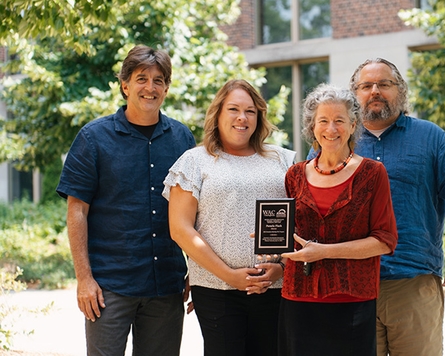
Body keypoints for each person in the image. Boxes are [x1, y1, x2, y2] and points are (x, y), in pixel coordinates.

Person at [56, 44, 196, 356]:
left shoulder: (182, 139)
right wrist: (84, 279)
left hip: (166, 286)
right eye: (141, 78)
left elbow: (195, 210)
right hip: (109, 287)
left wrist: (196, 272)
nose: (150, 87)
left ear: (167, 88)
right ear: (125, 85)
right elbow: (76, 211)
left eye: (158, 80)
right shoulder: (93, 138)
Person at [347, 58, 445, 356]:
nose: (375, 91)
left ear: (400, 91)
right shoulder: (338, 139)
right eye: (366, 86)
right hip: (353, 285)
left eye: (384, 84)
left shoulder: (431, 137)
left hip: (414, 281)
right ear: (354, 93)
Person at [162, 79, 296, 356]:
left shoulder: (283, 160)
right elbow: (180, 228)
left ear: (259, 117)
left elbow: (301, 220)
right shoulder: (194, 161)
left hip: (275, 287)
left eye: (250, 111)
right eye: (233, 109)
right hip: (216, 289)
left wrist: (282, 268)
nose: (242, 118)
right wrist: (229, 276)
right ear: (218, 114)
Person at [279, 84, 398, 356]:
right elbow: (290, 238)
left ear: (353, 124)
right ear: (312, 126)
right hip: (298, 298)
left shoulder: (372, 173)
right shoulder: (294, 176)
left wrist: (325, 253)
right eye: (323, 121)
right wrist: (272, 245)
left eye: (339, 121)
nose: (331, 129)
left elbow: (385, 240)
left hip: (352, 301)